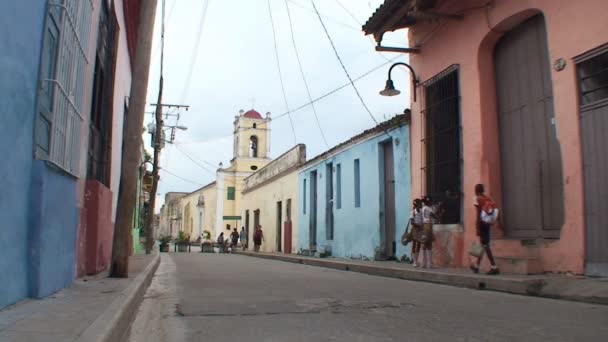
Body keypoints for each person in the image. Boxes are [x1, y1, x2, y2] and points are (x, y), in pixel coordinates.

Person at [471, 183, 500, 275]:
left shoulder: (477, 199)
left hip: (482, 223)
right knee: (484, 244)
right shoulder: (488, 198)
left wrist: (477, 227)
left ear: (476, 190)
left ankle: (494, 266)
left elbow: (478, 214)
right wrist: (499, 223)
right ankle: (476, 266)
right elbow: (496, 210)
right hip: (488, 223)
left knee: (485, 245)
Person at [420, 196, 436, 268]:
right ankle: (430, 264)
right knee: (429, 244)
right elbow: (433, 215)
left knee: (424, 244)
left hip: (424, 225)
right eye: (431, 201)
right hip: (428, 225)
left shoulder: (423, 208)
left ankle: (423, 263)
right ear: (429, 202)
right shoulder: (429, 208)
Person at [410, 198, 423, 267]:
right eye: (420, 203)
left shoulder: (421, 211)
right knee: (414, 244)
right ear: (417, 204)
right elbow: (412, 222)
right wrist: (418, 225)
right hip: (415, 229)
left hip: (420, 229)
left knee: (419, 245)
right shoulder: (413, 212)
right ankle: (414, 261)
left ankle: (417, 260)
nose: (421, 204)